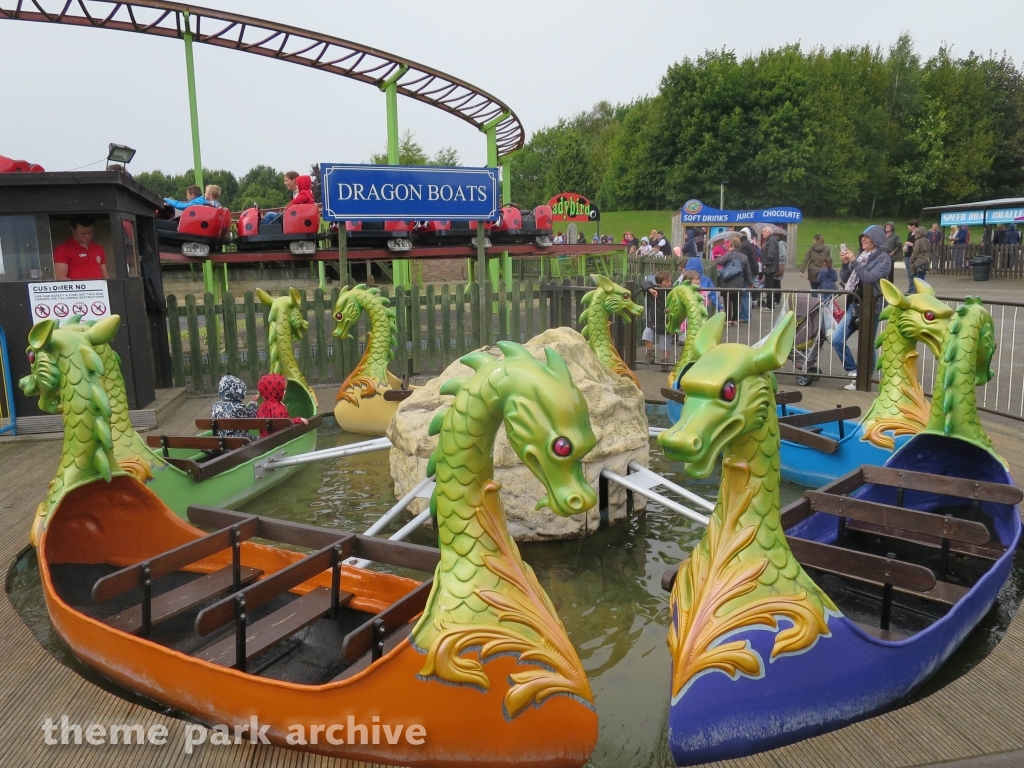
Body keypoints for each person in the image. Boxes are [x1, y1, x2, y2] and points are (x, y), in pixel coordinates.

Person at [832, 225, 892, 389]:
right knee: (837, 339)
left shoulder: (884, 259)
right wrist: (845, 264)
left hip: (871, 306)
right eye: (862, 237)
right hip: (855, 304)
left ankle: (865, 380)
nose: (863, 239)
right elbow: (845, 277)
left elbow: (869, 278)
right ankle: (853, 371)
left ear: (876, 239)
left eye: (867, 236)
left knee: (868, 344)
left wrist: (854, 261)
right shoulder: (861, 256)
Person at [713, 235, 753, 326]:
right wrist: (750, 283)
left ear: (732, 246)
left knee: (727, 301)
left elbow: (720, 262)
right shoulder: (744, 257)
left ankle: (728, 320)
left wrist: (718, 257)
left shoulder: (728, 254)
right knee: (737, 301)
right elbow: (748, 271)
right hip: (739, 282)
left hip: (727, 281)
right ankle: (735, 319)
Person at [640, 270, 674, 363]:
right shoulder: (653, 290)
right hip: (654, 320)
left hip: (667, 321)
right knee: (647, 334)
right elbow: (644, 283)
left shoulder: (673, 290)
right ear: (659, 283)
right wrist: (650, 289)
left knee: (666, 342)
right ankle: (650, 353)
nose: (669, 283)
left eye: (670, 281)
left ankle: (665, 361)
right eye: (667, 281)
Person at [760, 225, 781, 309]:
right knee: (769, 286)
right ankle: (770, 304)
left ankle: (770, 306)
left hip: (770, 267)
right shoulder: (770, 240)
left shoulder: (771, 240)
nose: (762, 233)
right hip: (771, 267)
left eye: (764, 231)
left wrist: (766, 263)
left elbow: (771, 253)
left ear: (769, 232)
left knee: (769, 287)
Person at [908, 223, 931, 292]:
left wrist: (911, 261)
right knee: (923, 278)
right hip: (926, 260)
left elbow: (915, 253)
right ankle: (923, 292)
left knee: (917, 280)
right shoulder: (927, 241)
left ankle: (916, 293)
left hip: (919, 262)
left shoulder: (918, 241)